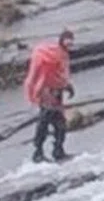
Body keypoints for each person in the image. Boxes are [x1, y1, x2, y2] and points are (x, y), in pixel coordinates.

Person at [23, 30, 75, 163]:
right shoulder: (47, 54)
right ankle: (38, 153)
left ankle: (58, 150)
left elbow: (61, 73)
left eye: (71, 42)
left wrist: (67, 85)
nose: (69, 45)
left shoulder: (63, 55)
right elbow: (40, 74)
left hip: (56, 93)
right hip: (45, 92)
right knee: (44, 121)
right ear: (61, 40)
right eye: (67, 41)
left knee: (60, 124)